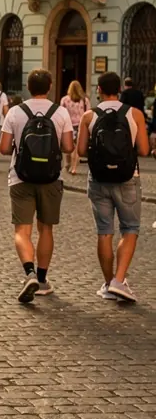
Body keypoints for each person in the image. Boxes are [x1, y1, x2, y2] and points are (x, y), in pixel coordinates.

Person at [0, 69, 73, 301]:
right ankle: (42, 279)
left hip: (20, 177)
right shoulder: (60, 112)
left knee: (22, 230)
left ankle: (29, 272)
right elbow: (69, 147)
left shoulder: (15, 112)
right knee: (46, 229)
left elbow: (3, 148)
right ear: (50, 87)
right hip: (51, 178)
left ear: (28, 87)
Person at [77, 70, 149, 303]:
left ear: (98, 89)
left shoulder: (89, 116)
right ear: (120, 90)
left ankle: (109, 284)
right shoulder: (134, 113)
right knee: (130, 229)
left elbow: (79, 151)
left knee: (104, 231)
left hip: (98, 179)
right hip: (128, 178)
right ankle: (119, 280)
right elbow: (145, 150)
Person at [60, 80, 90, 175]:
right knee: (76, 147)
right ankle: (74, 168)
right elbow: (88, 112)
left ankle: (67, 164)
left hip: (67, 124)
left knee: (68, 146)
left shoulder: (65, 100)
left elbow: (61, 113)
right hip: (80, 125)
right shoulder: (85, 100)